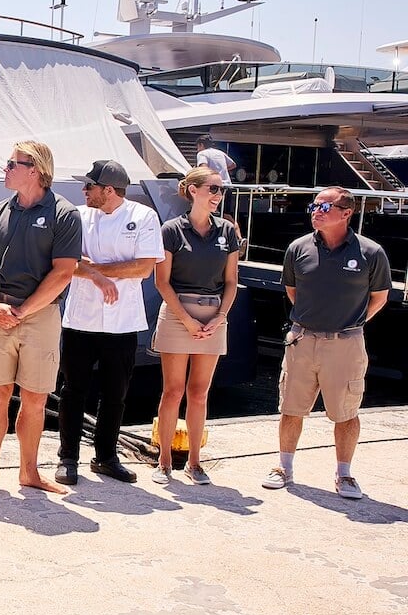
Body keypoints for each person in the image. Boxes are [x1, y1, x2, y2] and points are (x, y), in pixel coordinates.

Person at [262, 186, 390, 500]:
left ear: (347, 213)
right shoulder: (298, 248)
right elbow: (293, 291)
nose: (316, 212)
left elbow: (379, 297)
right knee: (291, 408)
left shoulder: (371, 253)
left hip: (345, 343)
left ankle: (344, 475)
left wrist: (351, 325)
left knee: (346, 412)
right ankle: (284, 467)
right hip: (302, 339)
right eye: (314, 206)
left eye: (324, 207)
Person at [0, 141, 80, 497]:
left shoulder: (64, 214)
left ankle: (29, 472)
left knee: (35, 398)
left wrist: (23, 311)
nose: (5, 168)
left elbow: (64, 272)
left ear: (34, 169)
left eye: (11, 163)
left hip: (40, 316)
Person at [55, 160, 163, 486]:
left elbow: (143, 268)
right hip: (81, 318)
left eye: (89, 186)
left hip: (122, 321)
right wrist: (102, 273)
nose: (83, 191)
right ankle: (68, 458)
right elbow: (67, 262)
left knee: (116, 393)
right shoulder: (77, 215)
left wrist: (95, 270)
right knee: (73, 391)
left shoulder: (143, 217)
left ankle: (105, 457)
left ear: (109, 190)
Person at [151, 167, 240, 484]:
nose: (219, 195)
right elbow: (162, 282)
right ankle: (163, 462)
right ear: (193, 190)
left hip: (214, 314)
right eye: (214, 189)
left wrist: (221, 317)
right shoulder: (171, 230)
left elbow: (231, 282)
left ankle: (194, 462)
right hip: (178, 312)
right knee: (172, 391)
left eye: (221, 190)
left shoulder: (228, 232)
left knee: (200, 393)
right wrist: (186, 319)